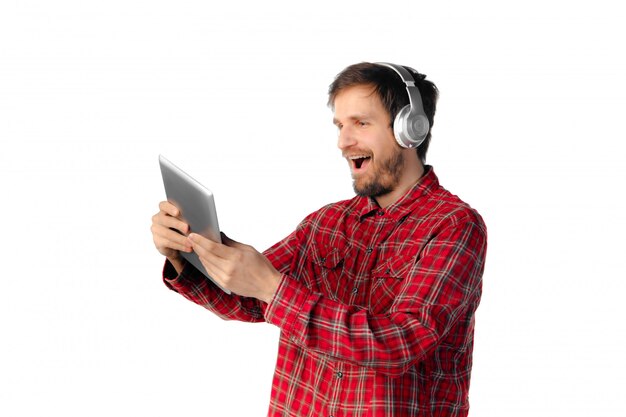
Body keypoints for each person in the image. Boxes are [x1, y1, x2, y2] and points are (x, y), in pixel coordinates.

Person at [151, 62, 487, 417]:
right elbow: (245, 301)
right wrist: (183, 253)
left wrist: (271, 288)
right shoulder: (325, 222)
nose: (343, 141)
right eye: (340, 126)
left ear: (410, 129)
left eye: (361, 123)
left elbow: (400, 342)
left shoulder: (454, 225)